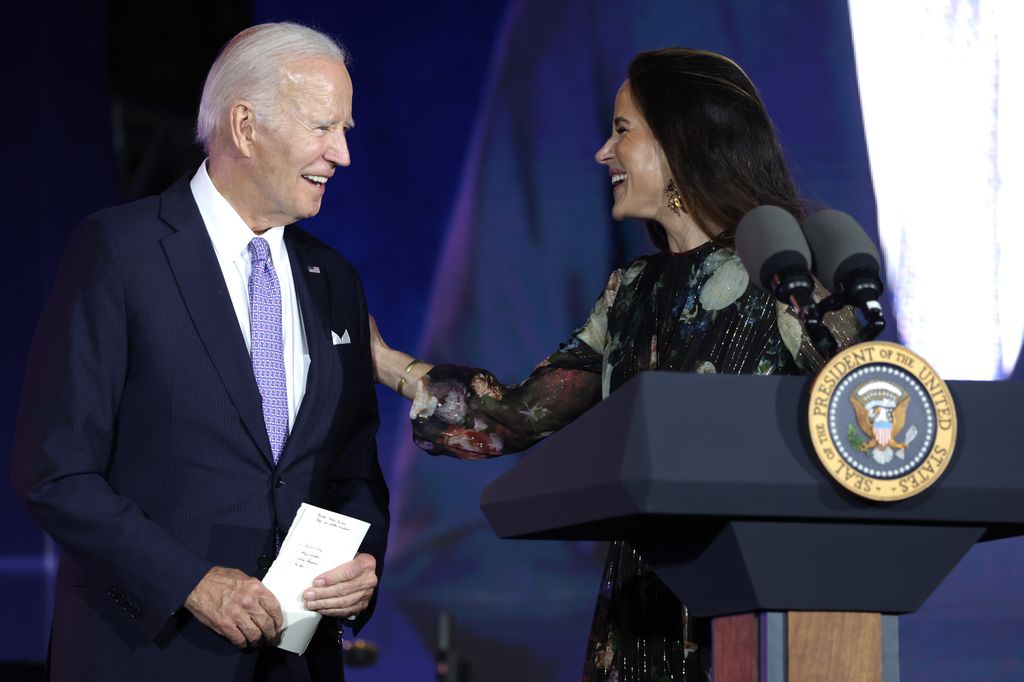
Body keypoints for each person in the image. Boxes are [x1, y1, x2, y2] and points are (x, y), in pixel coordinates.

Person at [370, 48, 856, 681]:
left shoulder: (787, 278)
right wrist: (383, 362)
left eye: (622, 131)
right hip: (641, 615)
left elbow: (863, 416)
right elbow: (513, 417)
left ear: (682, 143)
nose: (603, 152)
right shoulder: (630, 293)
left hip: (759, 615)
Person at [11, 22, 388, 681]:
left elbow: (353, 472)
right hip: (148, 657)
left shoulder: (336, 283)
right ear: (245, 126)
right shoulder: (120, 252)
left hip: (295, 665)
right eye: (325, 127)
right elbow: (56, 470)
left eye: (346, 130)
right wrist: (191, 582)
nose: (343, 154)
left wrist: (359, 567)